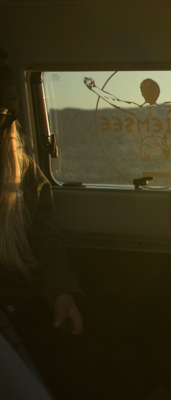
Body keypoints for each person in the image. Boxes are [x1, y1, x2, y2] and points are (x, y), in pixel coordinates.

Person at [0, 47, 122, 400]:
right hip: (10, 314)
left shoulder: (22, 171)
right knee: (87, 365)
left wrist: (62, 293)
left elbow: (45, 241)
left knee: (156, 321)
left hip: (33, 297)